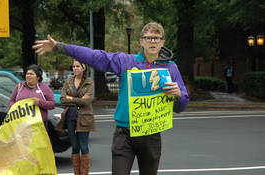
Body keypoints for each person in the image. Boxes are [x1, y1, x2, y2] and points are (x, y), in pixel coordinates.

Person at [33, 22, 189, 175]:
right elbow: (95, 56)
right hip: (124, 134)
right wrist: (59, 46)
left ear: (163, 42)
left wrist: (178, 96)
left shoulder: (170, 68)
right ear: (141, 41)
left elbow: (180, 107)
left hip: (151, 134)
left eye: (157, 38)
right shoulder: (126, 61)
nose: (152, 41)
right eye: (148, 38)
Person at [55, 59, 94, 175]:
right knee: (75, 146)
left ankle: (84, 173)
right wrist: (79, 100)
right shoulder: (68, 81)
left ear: (84, 68)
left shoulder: (89, 82)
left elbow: (87, 102)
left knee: (83, 145)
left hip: (84, 117)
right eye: (73, 66)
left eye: (77, 66)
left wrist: (71, 98)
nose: (75, 68)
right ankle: (77, 173)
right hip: (70, 117)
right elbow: (63, 100)